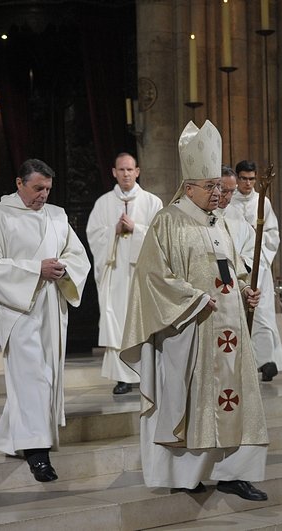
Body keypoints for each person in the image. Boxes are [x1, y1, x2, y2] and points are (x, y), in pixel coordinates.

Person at [120, 120, 269, 501]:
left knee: (234, 401)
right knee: (194, 404)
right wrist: (195, 299)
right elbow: (153, 277)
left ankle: (233, 473)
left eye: (220, 187)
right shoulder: (168, 221)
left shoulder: (219, 222)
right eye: (212, 187)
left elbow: (231, 268)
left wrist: (245, 290)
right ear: (189, 187)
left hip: (230, 331)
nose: (219, 193)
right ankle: (189, 475)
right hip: (190, 330)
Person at [0, 158, 91, 482]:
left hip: (53, 307)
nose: (43, 194)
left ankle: (15, 436)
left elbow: (77, 254)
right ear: (19, 183)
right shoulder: (0, 217)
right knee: (31, 378)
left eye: (47, 189)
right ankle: (37, 455)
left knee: (46, 377)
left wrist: (63, 268)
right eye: (37, 187)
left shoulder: (57, 216)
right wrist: (35, 270)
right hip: (20, 309)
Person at [86, 152, 163, 395]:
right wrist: (115, 230)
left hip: (143, 274)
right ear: (114, 172)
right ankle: (122, 377)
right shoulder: (103, 203)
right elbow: (94, 237)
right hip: (116, 274)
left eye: (130, 169)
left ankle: (147, 375)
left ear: (137, 171)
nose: (126, 174)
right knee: (117, 323)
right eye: (121, 170)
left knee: (143, 322)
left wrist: (136, 229)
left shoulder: (152, 202)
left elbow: (161, 237)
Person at [225, 160, 282, 381]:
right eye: (244, 178)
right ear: (237, 178)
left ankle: (266, 361)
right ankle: (244, 362)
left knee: (262, 314)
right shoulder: (227, 203)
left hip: (258, 268)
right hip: (235, 267)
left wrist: (256, 238)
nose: (248, 183)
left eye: (252, 179)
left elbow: (273, 235)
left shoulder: (263, 202)